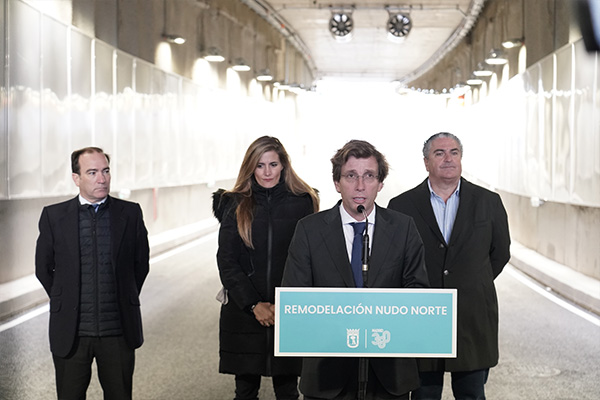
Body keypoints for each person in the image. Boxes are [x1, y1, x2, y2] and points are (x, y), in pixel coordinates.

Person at [282, 139, 429, 400]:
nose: (360, 185)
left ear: (380, 184)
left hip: (388, 373)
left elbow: (417, 291)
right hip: (327, 374)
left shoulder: (403, 228)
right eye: (351, 176)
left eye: (369, 176)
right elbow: (296, 297)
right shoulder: (309, 230)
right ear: (337, 183)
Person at [387, 132, 511, 400]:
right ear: (426, 162)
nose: (448, 159)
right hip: (423, 316)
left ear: (461, 158)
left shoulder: (488, 202)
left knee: (471, 393)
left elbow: (500, 253)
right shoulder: (402, 206)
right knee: (424, 394)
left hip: (472, 315)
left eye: (454, 152)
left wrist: (472, 280)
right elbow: (394, 260)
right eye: (439, 153)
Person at [35, 147, 150, 399]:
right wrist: (64, 298)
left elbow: (140, 264)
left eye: (106, 171)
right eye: (92, 172)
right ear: (76, 178)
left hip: (118, 332)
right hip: (72, 333)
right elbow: (43, 269)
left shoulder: (130, 213)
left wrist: (125, 296)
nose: (102, 179)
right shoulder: (54, 216)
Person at [212, 136, 320, 400]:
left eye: (273, 164)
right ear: (251, 168)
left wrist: (286, 304)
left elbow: (309, 259)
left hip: (288, 311)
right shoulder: (234, 204)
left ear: (284, 165)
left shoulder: (304, 202)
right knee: (245, 391)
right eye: (260, 165)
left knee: (288, 391)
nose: (267, 172)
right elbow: (227, 261)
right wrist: (253, 305)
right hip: (244, 312)